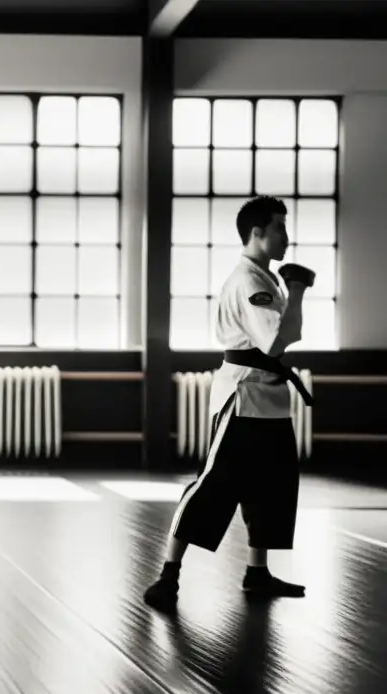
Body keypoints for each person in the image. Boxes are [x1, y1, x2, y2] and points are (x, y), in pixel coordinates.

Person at [144, 195, 313, 612]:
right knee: (214, 485)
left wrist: (290, 290)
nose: (285, 236)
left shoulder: (264, 278)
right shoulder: (251, 282)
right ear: (256, 232)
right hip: (243, 397)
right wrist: (297, 290)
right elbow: (275, 342)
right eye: (278, 227)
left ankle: (258, 573)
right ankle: (168, 575)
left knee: (272, 487)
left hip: (270, 399)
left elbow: (279, 338)